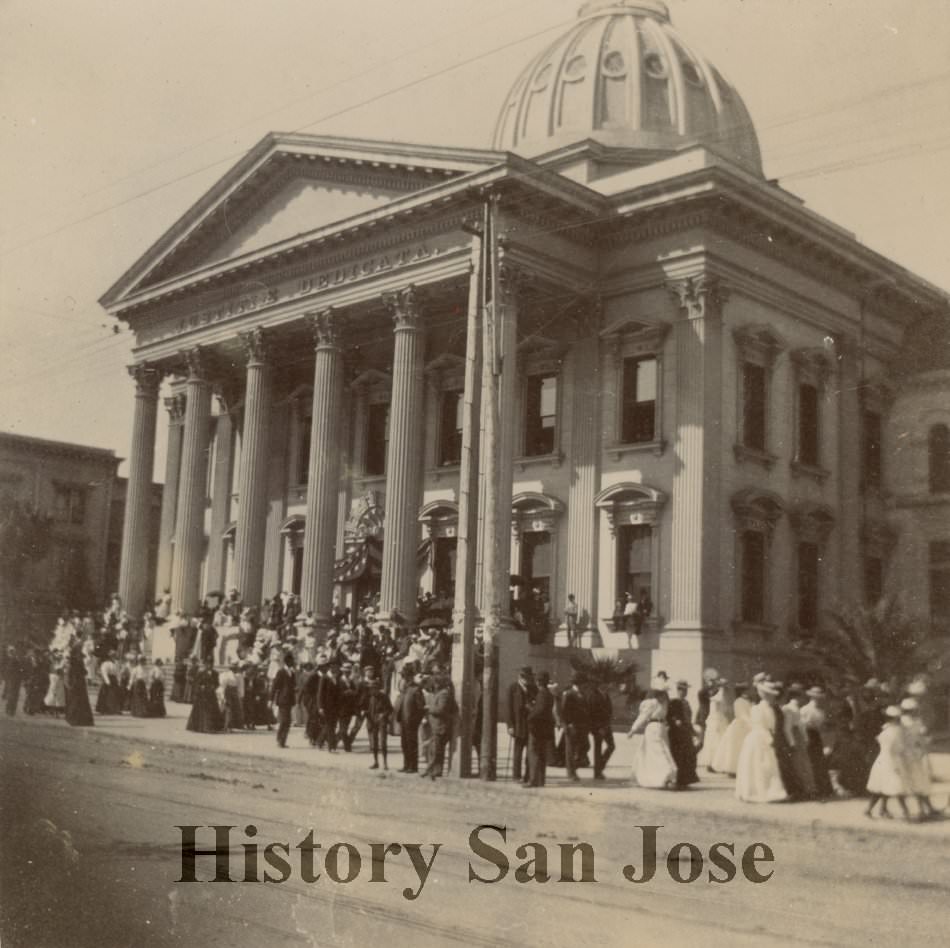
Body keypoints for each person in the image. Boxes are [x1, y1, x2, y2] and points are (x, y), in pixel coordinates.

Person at [735, 680, 788, 803]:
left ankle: (771, 791)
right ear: (763, 695)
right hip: (758, 739)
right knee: (758, 765)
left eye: (772, 695)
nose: (771, 697)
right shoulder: (757, 709)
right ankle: (755, 792)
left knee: (769, 766)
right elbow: (758, 726)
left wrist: (772, 737)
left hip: (767, 737)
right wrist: (769, 739)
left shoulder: (772, 709)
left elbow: (772, 726)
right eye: (768, 694)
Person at [865, 706, 912, 819]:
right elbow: (897, 748)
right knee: (897, 786)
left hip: (882, 760)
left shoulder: (886, 730)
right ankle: (906, 812)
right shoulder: (895, 732)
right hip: (892, 761)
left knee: (882, 786)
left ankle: (877, 809)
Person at [900, 698, 941, 819]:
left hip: (919, 754)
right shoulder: (903, 723)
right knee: (914, 782)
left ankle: (928, 807)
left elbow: (922, 736)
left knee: (922, 781)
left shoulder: (917, 721)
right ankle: (921, 809)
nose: (914, 712)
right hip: (909, 755)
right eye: (911, 710)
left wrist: (925, 739)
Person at [628, 688, 677, 789]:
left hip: (662, 729)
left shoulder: (665, 703)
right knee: (658, 752)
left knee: (663, 751)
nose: (662, 697)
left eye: (664, 694)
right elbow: (643, 716)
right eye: (660, 695)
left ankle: (661, 777)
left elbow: (667, 717)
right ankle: (667, 774)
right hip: (653, 729)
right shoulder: (652, 703)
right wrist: (633, 729)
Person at [800, 686, 834, 798]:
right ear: (811, 697)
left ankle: (822, 788)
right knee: (810, 760)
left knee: (819, 761)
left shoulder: (821, 712)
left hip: (816, 736)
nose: (817, 700)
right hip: (807, 735)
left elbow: (822, 727)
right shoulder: (804, 709)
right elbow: (802, 725)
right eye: (815, 697)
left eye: (819, 698)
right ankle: (811, 788)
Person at [667, 680, 699, 788]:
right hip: (676, 733)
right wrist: (675, 720)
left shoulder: (686, 703)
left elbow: (688, 719)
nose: (683, 692)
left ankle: (685, 780)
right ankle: (677, 779)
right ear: (677, 690)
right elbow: (670, 715)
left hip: (686, 732)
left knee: (689, 755)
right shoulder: (673, 701)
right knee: (678, 755)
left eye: (685, 690)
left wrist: (693, 731)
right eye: (681, 689)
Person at [423, 672, 456, 779]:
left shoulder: (443, 694)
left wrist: (429, 709)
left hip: (441, 726)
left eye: (436, 683)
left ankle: (430, 770)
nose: (434, 685)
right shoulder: (439, 694)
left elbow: (441, 709)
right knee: (436, 749)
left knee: (436, 749)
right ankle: (436, 771)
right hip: (436, 726)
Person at [507, 667, 535, 785]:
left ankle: (527, 776)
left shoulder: (533, 688)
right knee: (518, 752)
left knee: (529, 752)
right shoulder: (512, 688)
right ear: (520, 677)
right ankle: (516, 775)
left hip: (530, 725)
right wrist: (510, 725)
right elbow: (509, 709)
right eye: (524, 677)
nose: (526, 680)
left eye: (528, 677)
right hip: (518, 724)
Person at [697, 678, 732, 771]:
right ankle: (714, 763)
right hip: (715, 719)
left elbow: (721, 707)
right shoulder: (718, 696)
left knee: (716, 740)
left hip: (717, 719)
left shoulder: (718, 696)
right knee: (715, 740)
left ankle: (715, 763)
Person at [560, 673, 590, 782]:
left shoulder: (582, 694)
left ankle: (574, 769)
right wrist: (566, 725)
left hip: (582, 726)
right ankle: (571, 773)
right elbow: (563, 711)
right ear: (578, 683)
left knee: (584, 747)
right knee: (570, 751)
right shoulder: (568, 694)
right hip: (571, 726)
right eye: (583, 683)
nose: (585, 686)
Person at [397, 669, 426, 773]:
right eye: (403, 677)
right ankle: (406, 765)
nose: (403, 679)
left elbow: (421, 708)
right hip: (404, 721)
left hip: (411, 721)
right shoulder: (406, 690)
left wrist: (415, 720)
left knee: (411, 744)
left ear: (410, 678)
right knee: (404, 744)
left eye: (405, 677)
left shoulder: (416, 690)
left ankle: (413, 766)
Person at [186, 658, 224, 733]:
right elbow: (196, 683)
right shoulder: (201, 673)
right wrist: (200, 687)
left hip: (211, 694)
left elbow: (217, 683)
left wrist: (214, 687)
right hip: (202, 695)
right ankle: (203, 727)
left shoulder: (215, 673)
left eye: (211, 664)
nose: (209, 665)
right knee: (203, 711)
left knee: (212, 710)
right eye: (207, 664)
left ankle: (212, 727)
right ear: (205, 665)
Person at [365, 676, 394, 770]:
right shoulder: (370, 697)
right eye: (371, 689)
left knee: (383, 742)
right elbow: (367, 709)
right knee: (374, 743)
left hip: (382, 722)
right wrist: (366, 714)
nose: (372, 691)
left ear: (377, 688)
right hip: (372, 721)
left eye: (373, 689)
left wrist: (383, 715)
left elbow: (390, 709)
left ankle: (385, 763)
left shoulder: (384, 697)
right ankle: (376, 762)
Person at [589, 679, 614, 780]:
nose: (607, 685)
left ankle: (599, 767)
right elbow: (591, 713)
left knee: (612, 746)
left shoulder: (606, 695)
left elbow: (609, 711)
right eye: (604, 683)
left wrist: (607, 725)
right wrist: (598, 728)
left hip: (606, 726)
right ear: (599, 684)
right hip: (597, 727)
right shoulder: (594, 696)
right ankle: (597, 772)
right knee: (598, 749)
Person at [64, 642, 94, 726]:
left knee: (77, 700)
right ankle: (77, 720)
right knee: (77, 700)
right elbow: (82, 671)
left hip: (78, 682)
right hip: (77, 682)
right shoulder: (74, 661)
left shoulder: (74, 661)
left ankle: (77, 719)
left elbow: (83, 671)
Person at [271, 652, 297, 748]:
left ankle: (282, 740)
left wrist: (294, 689)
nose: (293, 662)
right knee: (285, 720)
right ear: (287, 661)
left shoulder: (292, 673)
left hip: (289, 700)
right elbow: (275, 686)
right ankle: (280, 739)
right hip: (283, 699)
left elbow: (293, 685)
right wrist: (271, 699)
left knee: (287, 721)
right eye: (291, 660)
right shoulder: (281, 672)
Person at [2, 645, 22, 717]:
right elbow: (9, 669)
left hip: (17, 680)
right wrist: (18, 671)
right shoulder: (12, 660)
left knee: (15, 695)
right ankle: (9, 709)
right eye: (14, 652)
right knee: (12, 694)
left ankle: (12, 709)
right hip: (13, 679)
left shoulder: (17, 659)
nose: (16, 653)